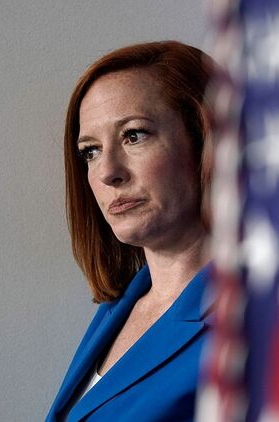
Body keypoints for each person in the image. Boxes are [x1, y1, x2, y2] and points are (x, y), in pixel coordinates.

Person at [46, 41, 215, 421]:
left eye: (134, 135)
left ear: (206, 141)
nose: (107, 172)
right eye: (90, 151)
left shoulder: (260, 317)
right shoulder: (118, 308)